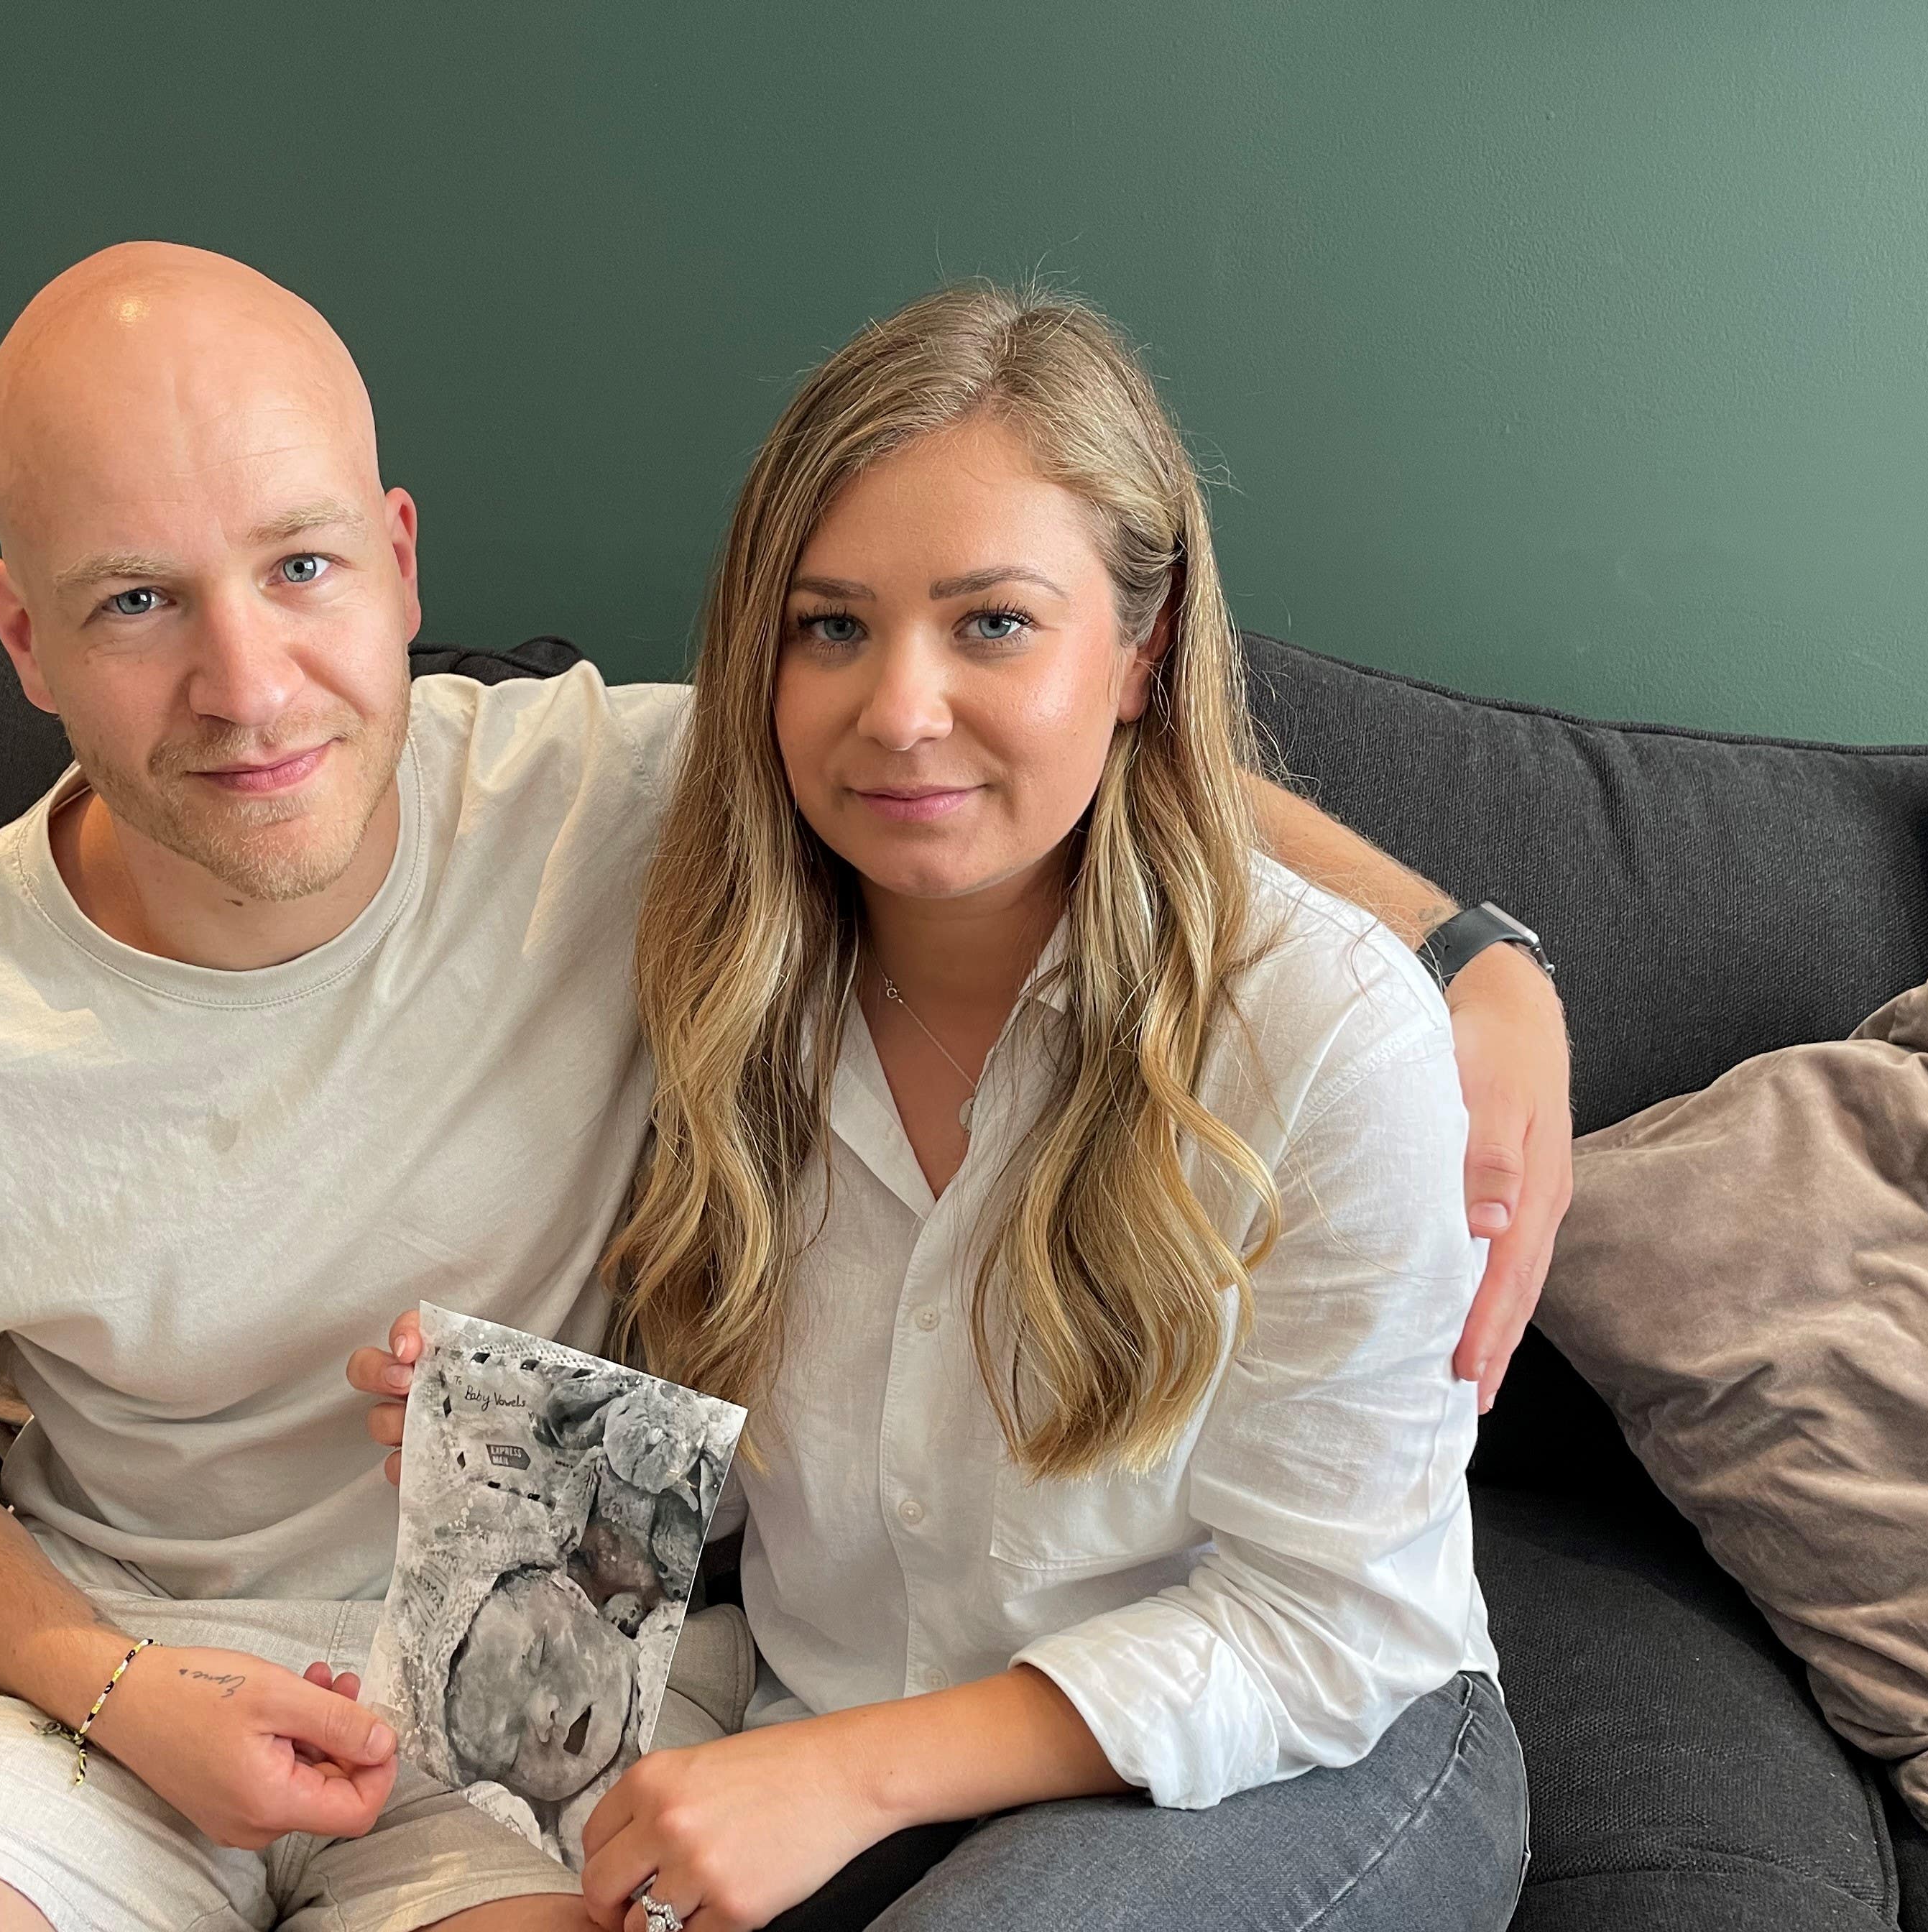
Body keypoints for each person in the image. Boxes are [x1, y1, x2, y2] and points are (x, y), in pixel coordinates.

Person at [0, 244, 1564, 1932]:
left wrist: (1473, 959)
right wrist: (138, 1652)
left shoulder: (618, 810)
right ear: (19, 635)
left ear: (398, 561)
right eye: (134, 602)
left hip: (576, 1724)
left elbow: (1047, 752)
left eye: (299, 567)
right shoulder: (738, 902)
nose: (248, 686)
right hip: (121, 1677)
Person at [361, 284, 1531, 1931]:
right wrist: (527, 1435)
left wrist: (1489, 962)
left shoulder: (1328, 1035)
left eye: (992, 624)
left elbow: (1330, 1627)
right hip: (835, 1733)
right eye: (831, 627)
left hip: (1298, 1746)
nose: (899, 712)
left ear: (1142, 652)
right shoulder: (716, 967)